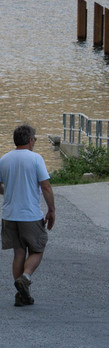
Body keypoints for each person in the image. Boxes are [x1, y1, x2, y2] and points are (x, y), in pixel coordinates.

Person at [0, 124, 56, 307]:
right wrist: (51, 210)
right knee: (38, 249)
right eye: (35, 139)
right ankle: (25, 277)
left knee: (18, 253)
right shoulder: (35, 159)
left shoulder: (4, 159)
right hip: (30, 215)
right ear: (30, 140)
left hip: (10, 215)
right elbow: (46, 187)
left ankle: (21, 295)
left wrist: (8, 191)